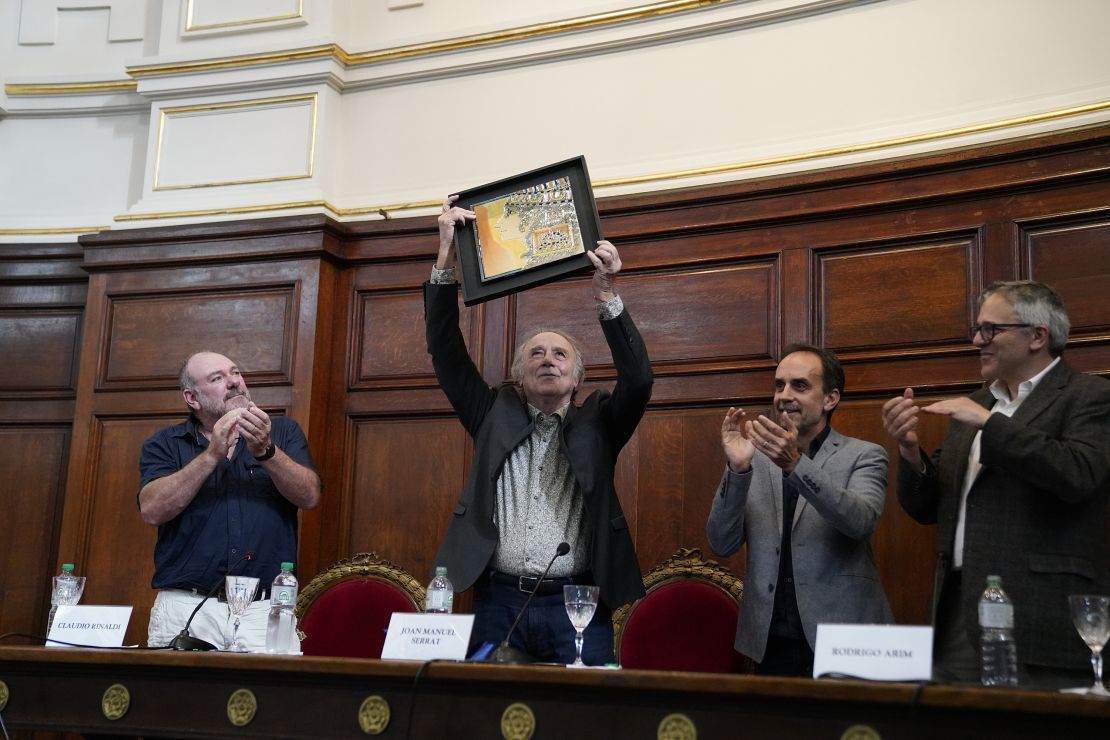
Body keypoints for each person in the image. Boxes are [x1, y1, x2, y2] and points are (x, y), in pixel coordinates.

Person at [426, 195, 653, 664]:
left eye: (559, 354)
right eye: (536, 353)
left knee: (579, 719)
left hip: (578, 601)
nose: (547, 359)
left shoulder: (601, 422)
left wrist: (606, 294)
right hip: (497, 600)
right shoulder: (490, 413)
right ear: (517, 373)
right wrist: (446, 256)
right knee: (488, 717)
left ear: (577, 378)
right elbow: (446, 350)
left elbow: (640, 379)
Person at [881, 280, 1110, 688]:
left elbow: (1078, 473)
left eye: (991, 330)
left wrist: (991, 424)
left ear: (1037, 335)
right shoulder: (978, 403)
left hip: (1041, 620)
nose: (977, 340)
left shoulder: (1089, 396)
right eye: (978, 329)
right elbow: (929, 508)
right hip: (962, 616)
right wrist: (910, 450)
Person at [707, 344, 892, 677]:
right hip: (770, 642)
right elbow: (721, 542)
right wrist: (737, 469)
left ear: (830, 399)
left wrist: (794, 464)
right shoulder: (753, 458)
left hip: (845, 641)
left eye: (799, 386)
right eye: (779, 385)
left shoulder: (865, 455)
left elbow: (860, 521)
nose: (784, 395)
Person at [139, 351, 321, 651]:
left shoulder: (283, 433)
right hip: (186, 606)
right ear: (192, 398)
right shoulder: (165, 444)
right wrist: (211, 455)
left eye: (235, 373)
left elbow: (310, 496)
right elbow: (152, 510)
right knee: (176, 697)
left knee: (270, 696)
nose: (234, 382)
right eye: (217, 378)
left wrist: (266, 452)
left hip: (265, 609)